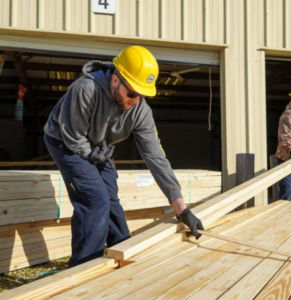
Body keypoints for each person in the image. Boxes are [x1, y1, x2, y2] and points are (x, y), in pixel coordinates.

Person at [43, 46, 204, 268]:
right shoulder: (85, 89)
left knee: (110, 197)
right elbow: (73, 135)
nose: (135, 100)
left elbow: (156, 157)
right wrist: (89, 154)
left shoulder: (140, 111)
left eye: (141, 94)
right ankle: (82, 267)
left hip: (98, 144)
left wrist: (182, 209)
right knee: (94, 198)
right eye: (132, 93)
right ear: (116, 79)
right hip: (65, 140)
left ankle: (122, 249)